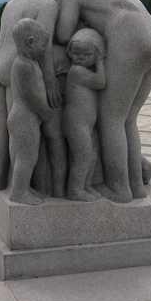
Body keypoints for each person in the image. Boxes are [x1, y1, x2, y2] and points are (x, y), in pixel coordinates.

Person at [56, 0, 151, 203]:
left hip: (129, 36)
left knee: (111, 119)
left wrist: (62, 0)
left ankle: (119, 189)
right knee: (128, 119)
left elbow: (63, 34)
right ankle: (136, 187)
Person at [0, 0, 63, 192]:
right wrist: (50, 81)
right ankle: (18, 186)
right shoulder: (47, 4)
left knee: (1, 127)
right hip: (16, 67)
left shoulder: (11, 4)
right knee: (19, 131)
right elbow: (45, 45)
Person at [8, 18, 55, 205]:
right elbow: (31, 97)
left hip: (23, 118)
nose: (44, 50)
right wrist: (46, 113)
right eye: (43, 45)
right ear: (30, 42)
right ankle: (19, 193)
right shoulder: (24, 66)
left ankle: (23, 187)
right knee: (27, 156)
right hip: (25, 118)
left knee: (23, 155)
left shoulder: (27, 62)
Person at [64, 28, 106, 202]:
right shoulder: (76, 71)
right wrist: (100, 61)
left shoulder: (82, 71)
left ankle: (86, 185)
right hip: (76, 122)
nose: (80, 58)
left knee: (92, 154)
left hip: (86, 123)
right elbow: (100, 82)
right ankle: (75, 190)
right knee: (83, 156)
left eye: (86, 54)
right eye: (76, 53)